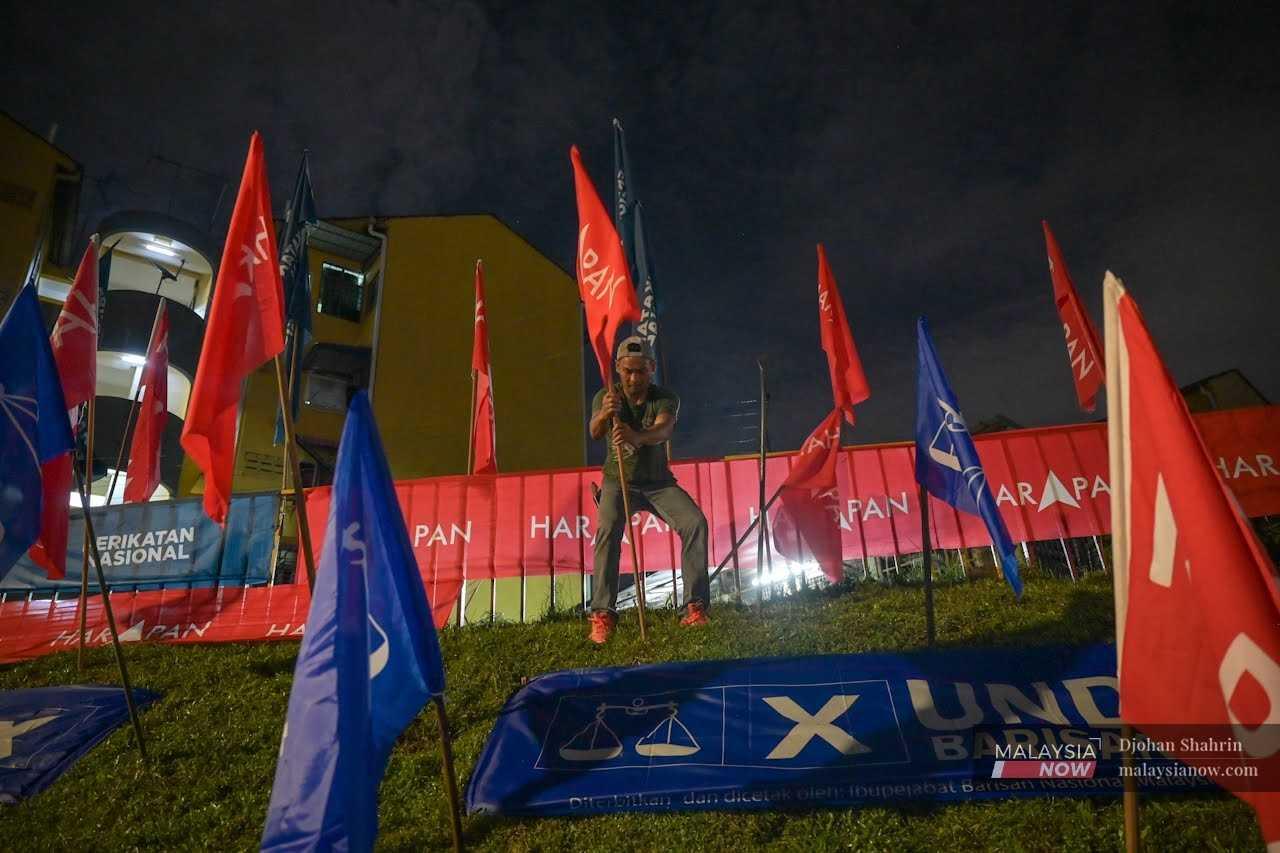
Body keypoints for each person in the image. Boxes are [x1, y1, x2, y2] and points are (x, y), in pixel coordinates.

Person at [587, 335, 710, 644]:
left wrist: (636, 436)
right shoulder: (606, 395)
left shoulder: (664, 397)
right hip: (618, 482)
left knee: (694, 523)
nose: (633, 378)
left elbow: (665, 428)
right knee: (607, 533)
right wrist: (604, 413)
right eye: (628, 371)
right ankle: (603, 613)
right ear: (618, 368)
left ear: (651, 368)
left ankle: (694, 607)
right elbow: (594, 431)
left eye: (640, 371)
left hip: (658, 483)